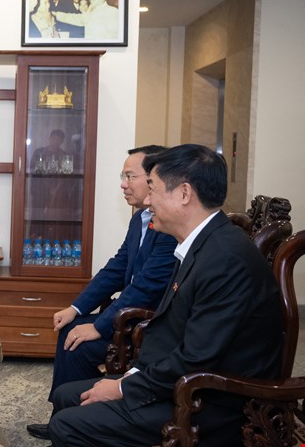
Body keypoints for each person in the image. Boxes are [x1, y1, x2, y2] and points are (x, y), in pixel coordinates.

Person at [48, 144, 283, 447]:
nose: (147, 201)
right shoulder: (201, 243)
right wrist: (131, 376)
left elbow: (196, 358)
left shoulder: (225, 259)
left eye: (153, 190)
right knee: (66, 396)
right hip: (184, 382)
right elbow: (173, 334)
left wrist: (123, 388)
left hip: (211, 401)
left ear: (184, 194)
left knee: (67, 425)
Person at [26, 145, 177, 440]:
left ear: (153, 180)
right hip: (127, 314)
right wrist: (76, 308)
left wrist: (98, 326)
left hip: (146, 324)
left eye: (129, 176)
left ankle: (75, 420)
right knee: (70, 328)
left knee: (79, 343)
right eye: (123, 176)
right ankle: (63, 416)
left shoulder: (167, 228)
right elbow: (117, 268)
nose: (123, 184)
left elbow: (146, 287)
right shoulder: (139, 219)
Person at [53, 0, 119, 40]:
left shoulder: (113, 12)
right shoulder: (91, 11)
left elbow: (114, 40)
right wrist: (56, 14)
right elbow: (76, 18)